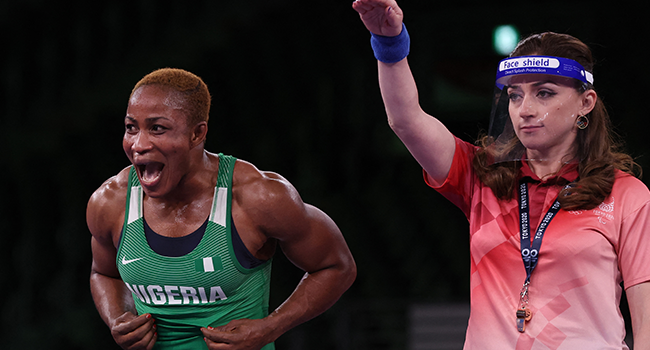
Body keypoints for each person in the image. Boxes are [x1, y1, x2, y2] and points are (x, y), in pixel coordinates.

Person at [353, 0, 650, 349]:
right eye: (515, 95)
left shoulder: (626, 194)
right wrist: (389, 44)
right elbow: (405, 120)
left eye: (544, 93)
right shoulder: (482, 177)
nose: (525, 110)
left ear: (585, 103)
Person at [87, 68, 357, 350]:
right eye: (131, 127)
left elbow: (336, 266)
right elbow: (103, 273)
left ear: (197, 133)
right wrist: (117, 317)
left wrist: (270, 327)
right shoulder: (110, 201)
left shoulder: (257, 196)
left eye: (157, 128)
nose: (139, 144)